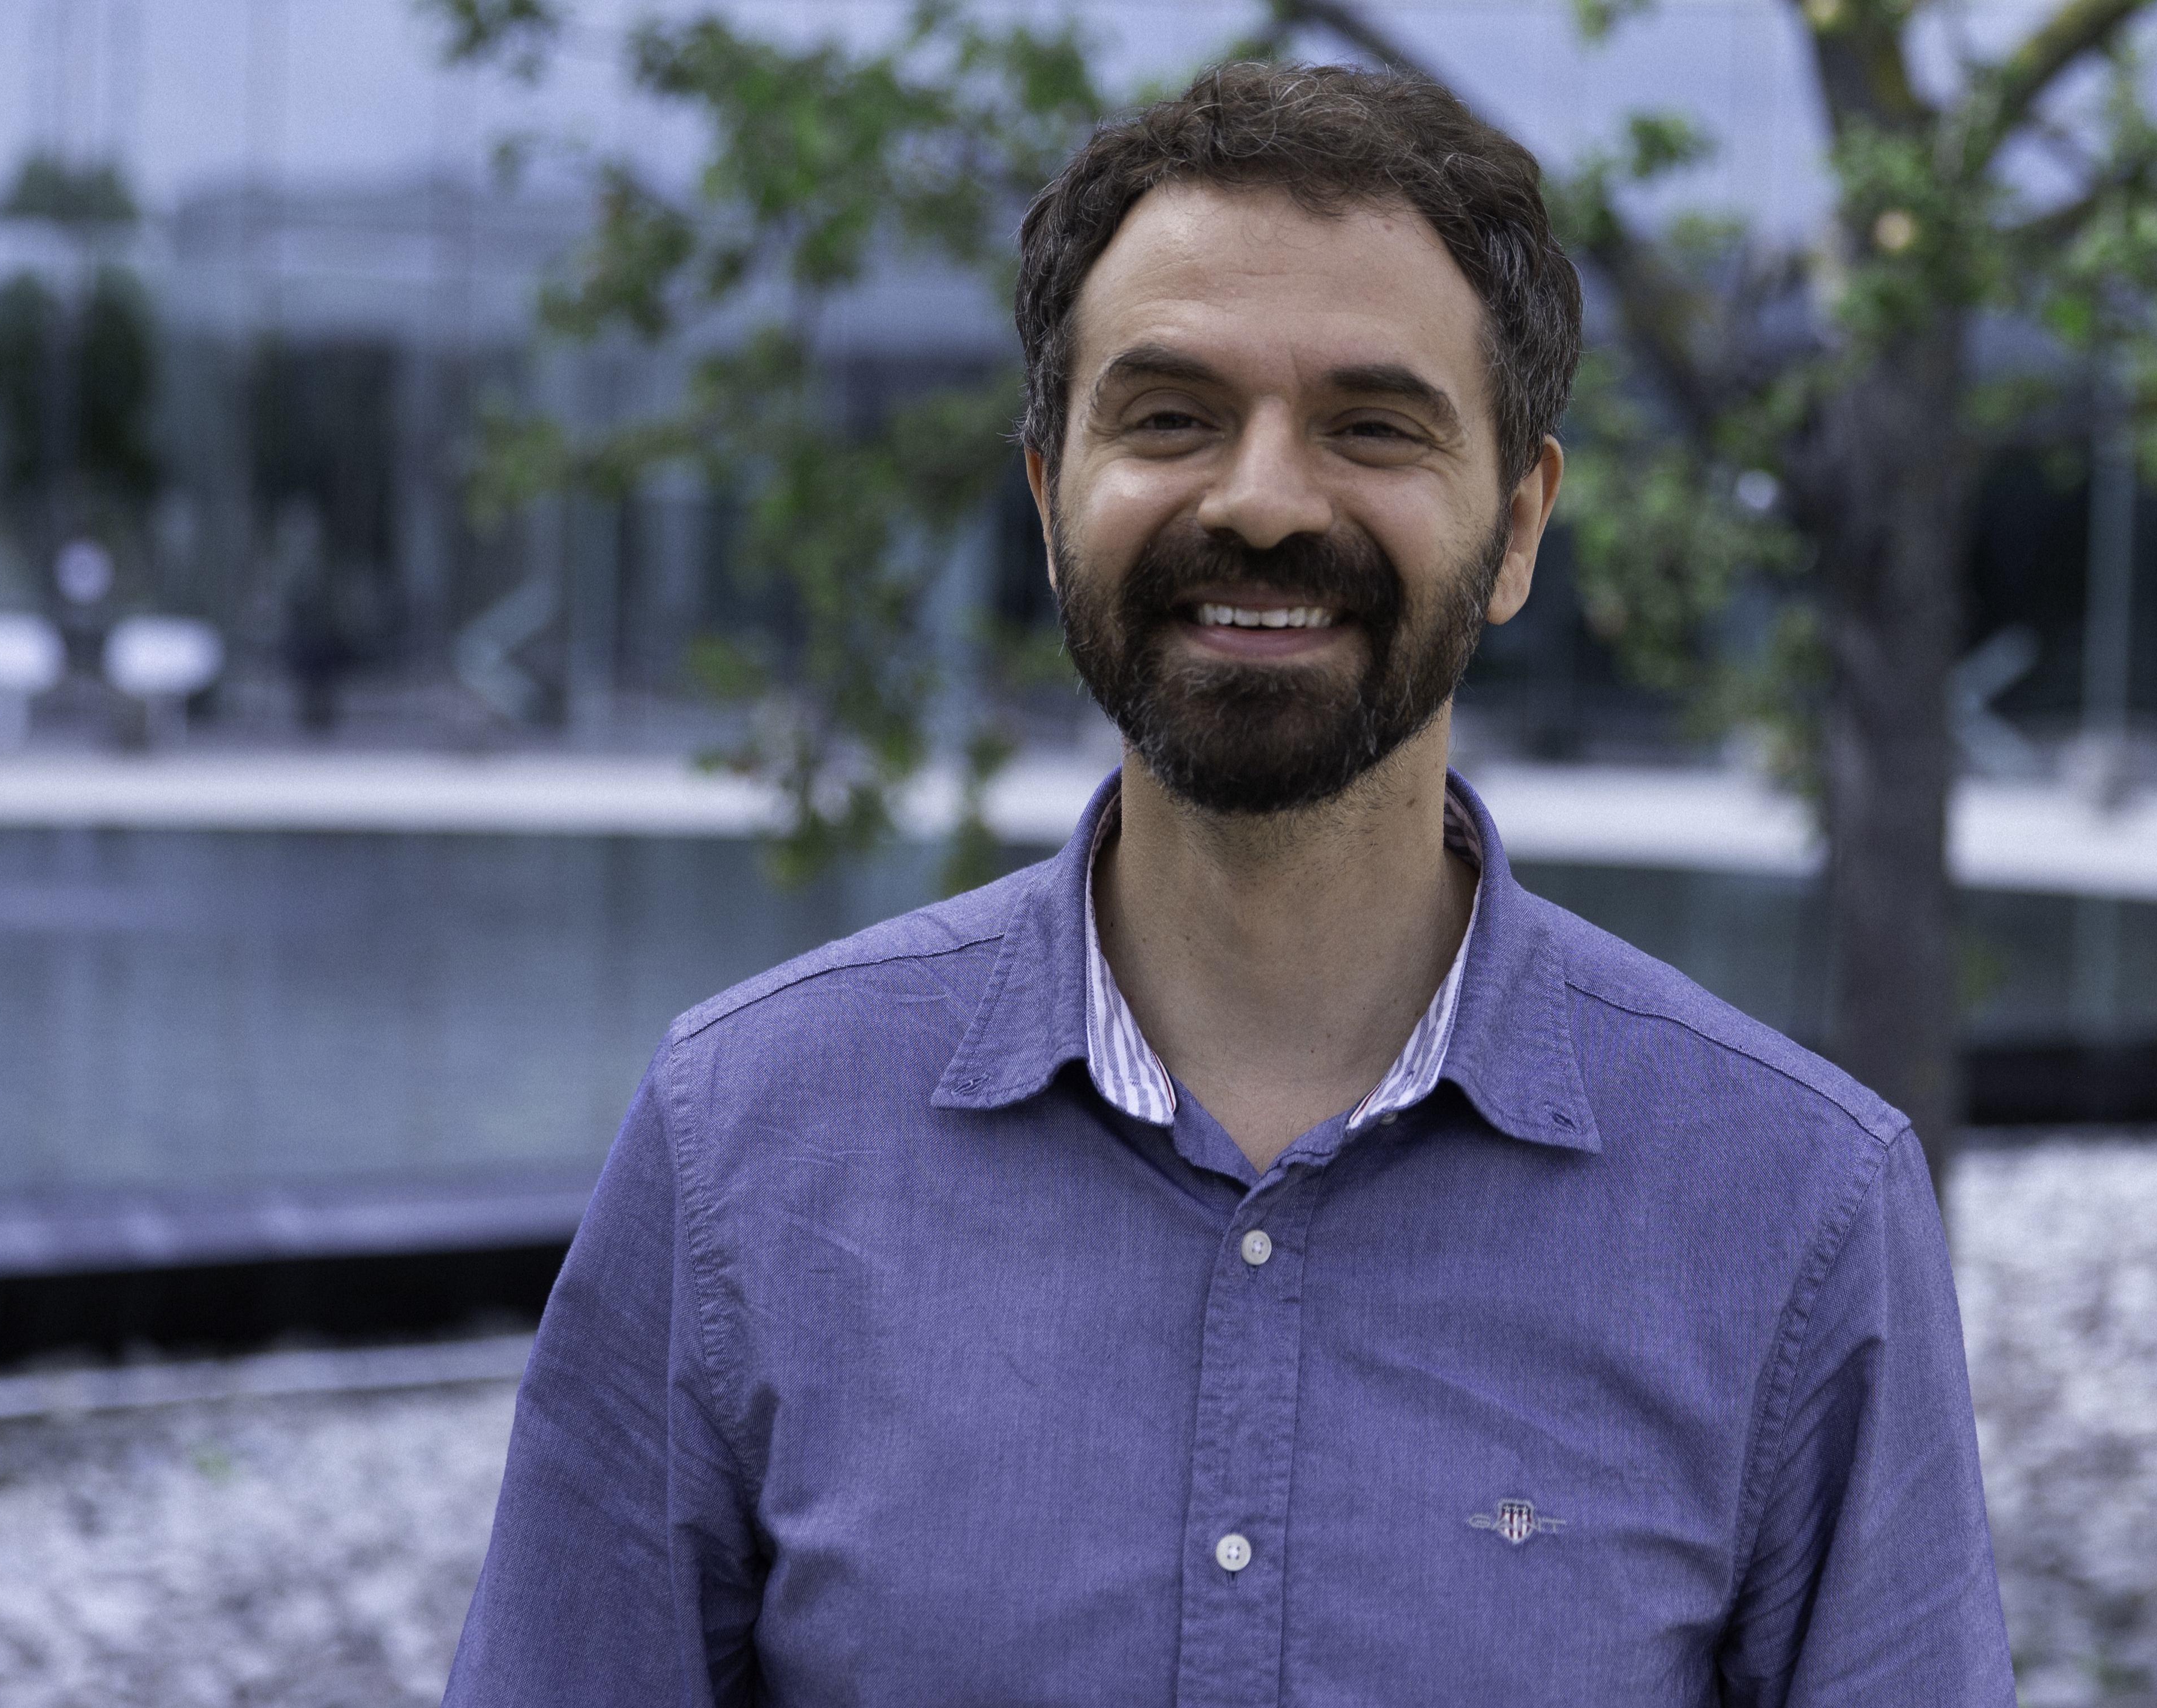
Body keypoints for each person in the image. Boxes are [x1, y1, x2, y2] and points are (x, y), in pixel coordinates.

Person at [445, 61, 2013, 1707]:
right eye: (1172, 416)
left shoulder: (1797, 1208)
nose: (1263, 499)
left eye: (1373, 425)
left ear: (1521, 521)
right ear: (1054, 495)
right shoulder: (742, 1140)